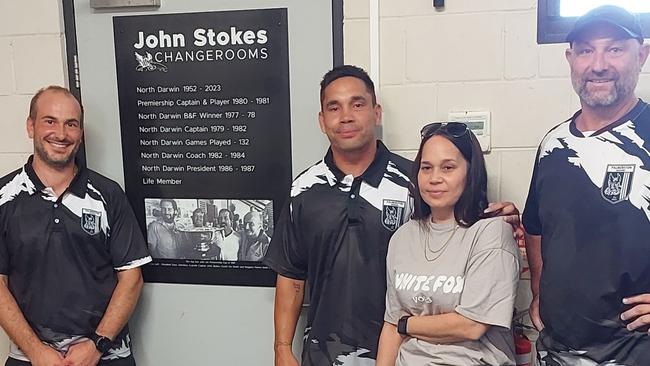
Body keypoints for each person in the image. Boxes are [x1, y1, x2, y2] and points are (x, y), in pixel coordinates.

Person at [264, 65, 519, 366]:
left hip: (404, 353)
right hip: (324, 353)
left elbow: (462, 230)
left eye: (357, 104)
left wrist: (498, 216)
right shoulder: (304, 189)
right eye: (334, 107)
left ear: (376, 112)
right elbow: (291, 277)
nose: (346, 116)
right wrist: (282, 347)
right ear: (322, 120)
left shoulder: (415, 182)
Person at [522, 5, 650, 365]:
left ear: (641, 55)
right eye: (585, 50)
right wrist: (538, 291)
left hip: (633, 352)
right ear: (570, 59)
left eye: (614, 48)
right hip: (558, 351)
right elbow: (536, 228)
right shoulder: (553, 145)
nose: (598, 65)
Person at [0, 85, 152, 365]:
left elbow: (131, 278)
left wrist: (96, 345)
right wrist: (35, 351)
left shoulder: (108, 194)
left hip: (106, 355)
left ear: (80, 135)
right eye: (50, 121)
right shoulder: (4, 197)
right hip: (30, 358)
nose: (61, 134)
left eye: (71, 124)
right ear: (30, 126)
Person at [376, 123, 519, 365]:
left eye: (448, 168)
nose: (434, 178)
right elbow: (391, 327)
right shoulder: (402, 238)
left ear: (470, 172)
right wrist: (400, 326)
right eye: (426, 168)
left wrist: (407, 324)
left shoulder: (491, 232)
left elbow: (471, 325)